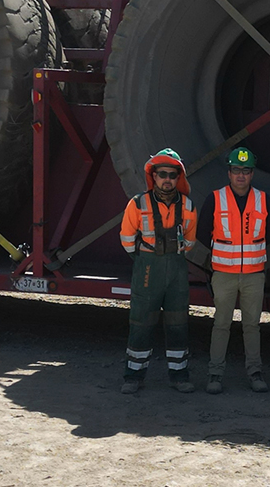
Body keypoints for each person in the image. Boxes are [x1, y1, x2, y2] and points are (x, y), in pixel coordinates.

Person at [194, 147, 270, 395]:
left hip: (253, 274)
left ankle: (255, 372)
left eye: (246, 171)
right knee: (221, 324)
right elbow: (202, 232)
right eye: (237, 170)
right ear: (229, 173)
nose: (241, 175)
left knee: (252, 325)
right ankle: (215, 374)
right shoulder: (215, 198)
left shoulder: (263, 199)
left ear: (252, 174)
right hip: (224, 274)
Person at [118, 148, 198, 395]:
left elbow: (190, 241)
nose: (167, 179)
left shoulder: (188, 206)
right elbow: (127, 239)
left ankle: (179, 376)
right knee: (141, 322)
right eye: (161, 174)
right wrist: (145, 259)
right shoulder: (137, 204)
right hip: (148, 269)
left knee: (178, 323)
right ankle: (133, 376)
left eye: (172, 175)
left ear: (178, 178)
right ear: (153, 176)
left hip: (176, 270)